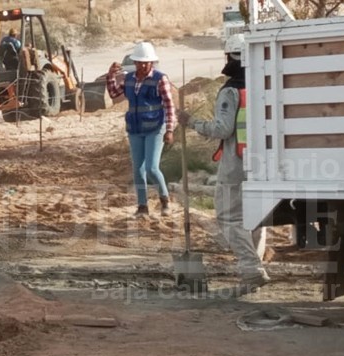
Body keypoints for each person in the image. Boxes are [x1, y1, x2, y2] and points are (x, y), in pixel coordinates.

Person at [177, 34, 270, 295]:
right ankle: (255, 269)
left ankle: (252, 269)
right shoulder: (263, 83)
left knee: (229, 217)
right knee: (255, 218)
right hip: (264, 162)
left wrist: (192, 122)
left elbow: (222, 128)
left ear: (230, 57)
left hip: (237, 162)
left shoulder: (231, 89)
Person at [106, 42, 176, 218]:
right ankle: (142, 206)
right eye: (140, 62)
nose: (143, 66)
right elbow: (114, 94)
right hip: (135, 129)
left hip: (155, 128)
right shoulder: (129, 78)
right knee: (138, 169)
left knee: (152, 168)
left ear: (152, 63)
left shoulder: (160, 79)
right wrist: (110, 76)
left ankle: (165, 200)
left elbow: (169, 105)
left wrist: (169, 129)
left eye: (146, 62)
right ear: (135, 62)